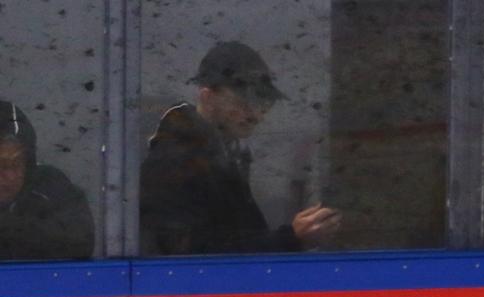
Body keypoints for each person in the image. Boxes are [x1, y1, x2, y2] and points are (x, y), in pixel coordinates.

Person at [140, 41, 340, 256]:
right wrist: (291, 238)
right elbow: (193, 256)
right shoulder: (176, 161)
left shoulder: (220, 157)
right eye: (243, 101)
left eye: (262, 103)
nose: (256, 115)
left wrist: (292, 238)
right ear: (207, 97)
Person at [0, 101, 94, 260]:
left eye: (17, 163)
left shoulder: (51, 188)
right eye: (0, 165)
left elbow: (79, 243)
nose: (9, 175)